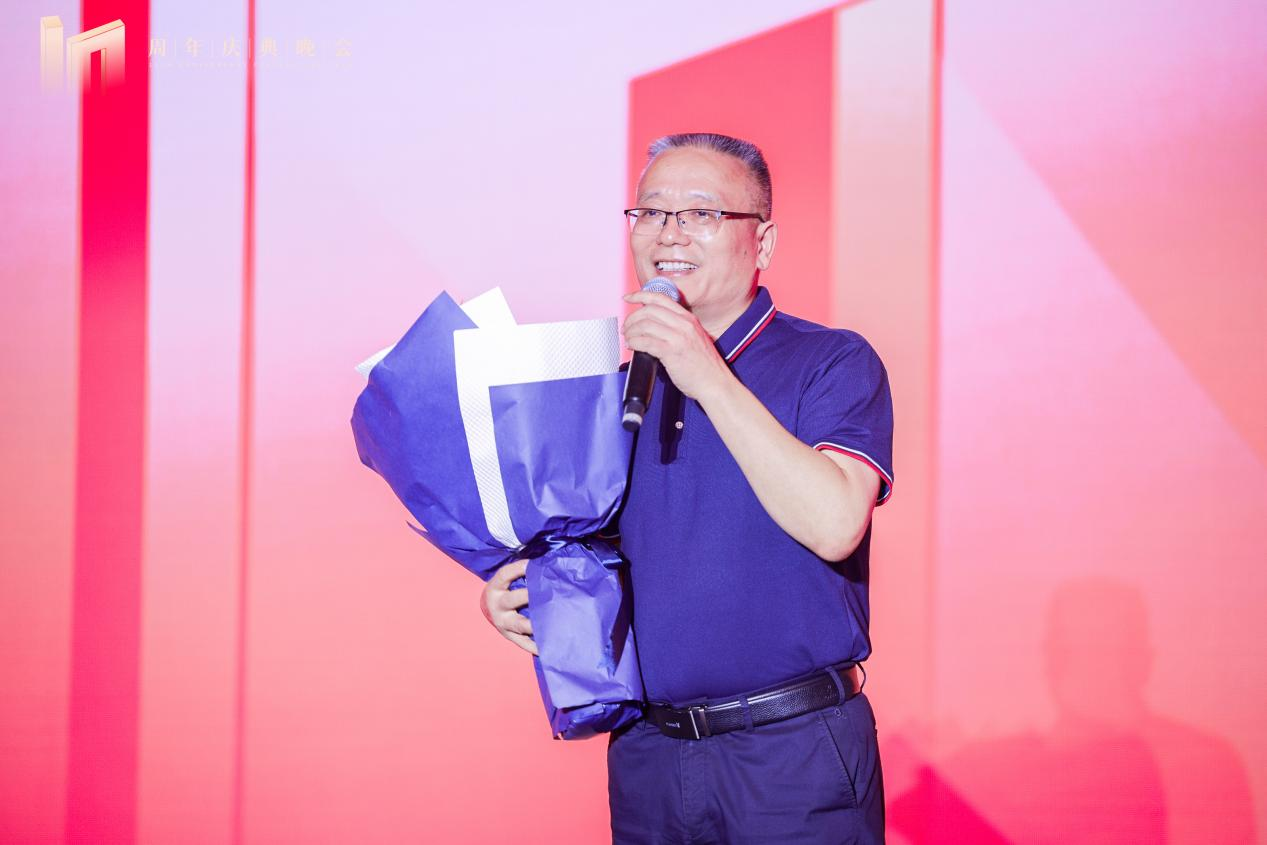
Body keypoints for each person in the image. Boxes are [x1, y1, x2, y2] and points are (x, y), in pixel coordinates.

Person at [481, 132, 893, 843]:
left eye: (701, 213)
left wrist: (706, 374)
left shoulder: (831, 361)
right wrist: (521, 594)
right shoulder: (618, 391)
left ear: (762, 242)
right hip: (650, 757)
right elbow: (599, 560)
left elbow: (834, 523)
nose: (668, 233)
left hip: (791, 753)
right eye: (650, 212)